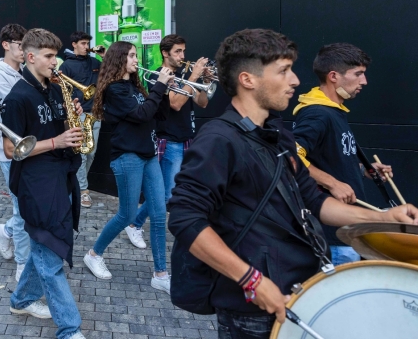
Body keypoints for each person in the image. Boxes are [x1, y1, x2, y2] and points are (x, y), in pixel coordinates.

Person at [167, 28, 418, 339]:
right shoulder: (218, 140)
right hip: (252, 310)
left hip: (299, 292)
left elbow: (316, 201)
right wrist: (252, 280)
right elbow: (185, 218)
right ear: (248, 79)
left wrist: (382, 218)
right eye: (284, 71)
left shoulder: (277, 133)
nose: (296, 80)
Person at [2, 28, 86, 339]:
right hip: (35, 184)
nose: (55, 63)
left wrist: (72, 117)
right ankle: (69, 328)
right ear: (31, 56)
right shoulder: (18, 96)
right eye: (50, 57)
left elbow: (55, 125)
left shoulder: (51, 88)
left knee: (44, 247)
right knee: (49, 254)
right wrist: (57, 141)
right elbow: (11, 150)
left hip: (57, 177)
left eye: (56, 56)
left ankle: (21, 300)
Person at [83, 41, 172, 294]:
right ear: (120, 59)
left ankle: (160, 274)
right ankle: (94, 253)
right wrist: (159, 88)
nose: (136, 59)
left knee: (157, 214)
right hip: (127, 156)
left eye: (135, 55)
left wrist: (164, 91)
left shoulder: (136, 87)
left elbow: (158, 115)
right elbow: (141, 115)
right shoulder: (114, 90)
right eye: (132, 55)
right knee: (127, 214)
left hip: (148, 154)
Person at [292, 43, 391, 265]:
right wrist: (331, 183)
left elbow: (328, 158)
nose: (364, 82)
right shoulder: (317, 113)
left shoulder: (333, 111)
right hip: (333, 236)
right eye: (358, 74)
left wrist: (363, 169)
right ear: (334, 76)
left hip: (345, 232)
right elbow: (291, 155)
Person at [126, 34, 210, 249]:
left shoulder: (185, 74)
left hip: (186, 138)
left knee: (169, 191)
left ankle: (136, 223)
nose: (183, 55)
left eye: (183, 51)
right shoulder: (158, 75)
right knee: (165, 193)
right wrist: (194, 76)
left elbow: (202, 102)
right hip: (169, 139)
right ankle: (135, 224)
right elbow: (175, 104)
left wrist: (205, 80)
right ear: (165, 53)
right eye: (177, 51)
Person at [0, 23, 29, 281]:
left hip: (27, 146)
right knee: (22, 207)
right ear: (6, 45)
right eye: (20, 45)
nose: (24, 51)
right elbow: (18, 104)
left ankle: (6, 231)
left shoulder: (23, 72)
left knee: (24, 207)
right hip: (10, 148)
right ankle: (23, 264)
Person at [60, 31, 102, 208]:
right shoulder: (67, 65)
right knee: (83, 154)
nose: (86, 47)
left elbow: (110, 76)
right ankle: (83, 190)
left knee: (91, 153)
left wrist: (104, 56)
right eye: (83, 43)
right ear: (74, 44)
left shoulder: (95, 62)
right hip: (79, 113)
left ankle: (77, 183)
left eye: (87, 43)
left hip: (95, 113)